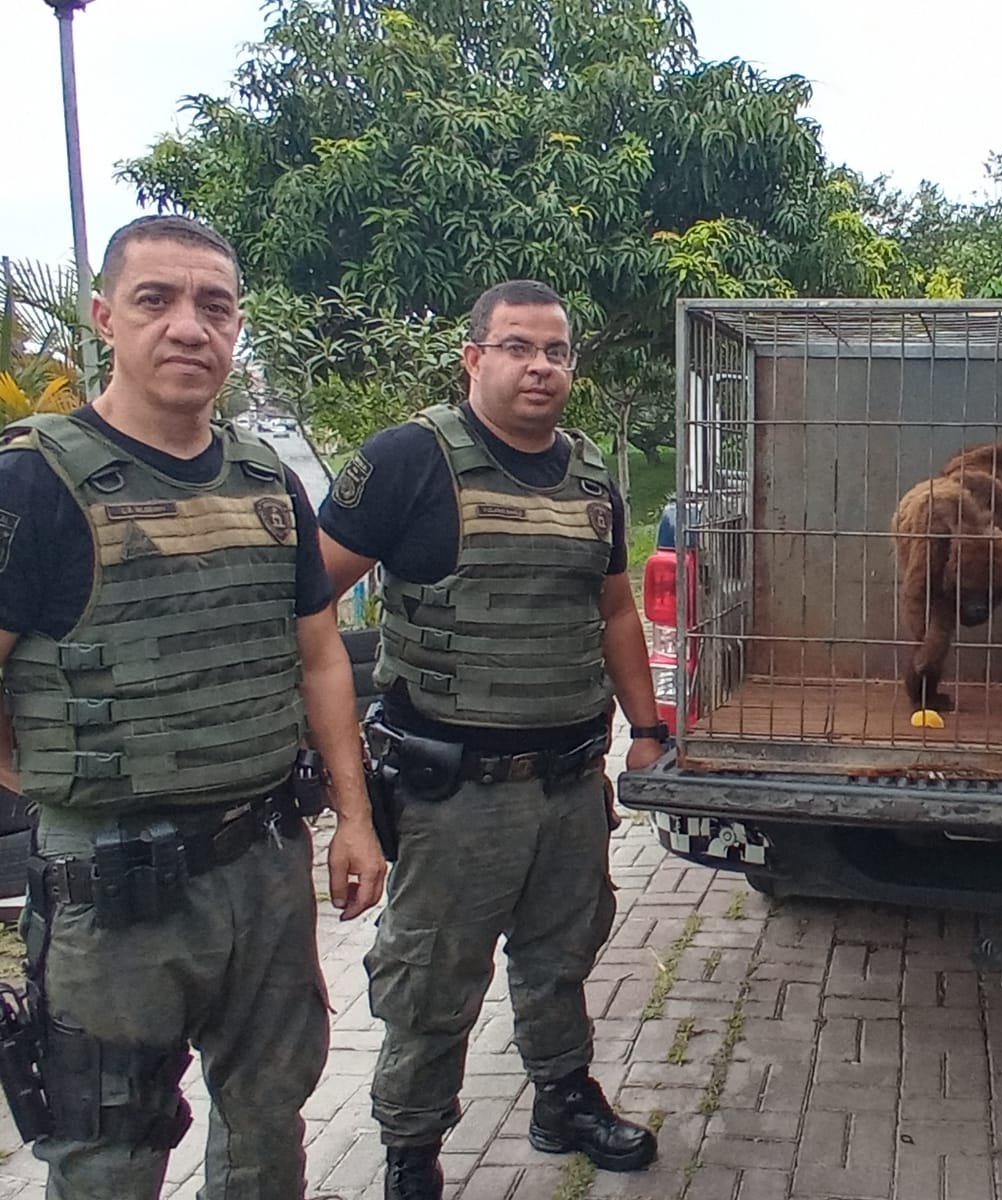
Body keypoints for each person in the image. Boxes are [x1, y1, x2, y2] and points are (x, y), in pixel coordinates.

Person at [0, 214, 387, 1198]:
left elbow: (320, 659)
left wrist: (354, 817)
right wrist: (47, 775)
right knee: (110, 1152)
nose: (187, 327)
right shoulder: (33, 484)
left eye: (213, 306)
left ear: (236, 328)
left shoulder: (268, 483)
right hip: (115, 892)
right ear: (103, 319)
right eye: (156, 301)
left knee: (270, 1119)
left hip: (263, 867)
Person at [317, 279, 668, 1199]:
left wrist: (646, 729)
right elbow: (308, 605)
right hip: (452, 794)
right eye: (517, 347)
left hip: (566, 783)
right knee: (432, 984)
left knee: (561, 955)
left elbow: (617, 611)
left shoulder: (592, 478)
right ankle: (411, 1153)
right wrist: (331, 775)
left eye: (555, 351)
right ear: (474, 357)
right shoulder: (407, 461)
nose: (540, 366)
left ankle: (563, 1099)